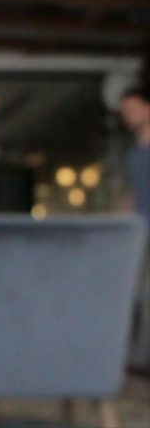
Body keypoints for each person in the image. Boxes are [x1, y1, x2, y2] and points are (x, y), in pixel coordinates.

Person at [120, 87, 150, 372]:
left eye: (132, 109)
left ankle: (141, 360)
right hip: (139, 232)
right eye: (124, 112)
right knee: (134, 293)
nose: (128, 116)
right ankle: (134, 358)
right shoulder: (134, 154)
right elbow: (133, 194)